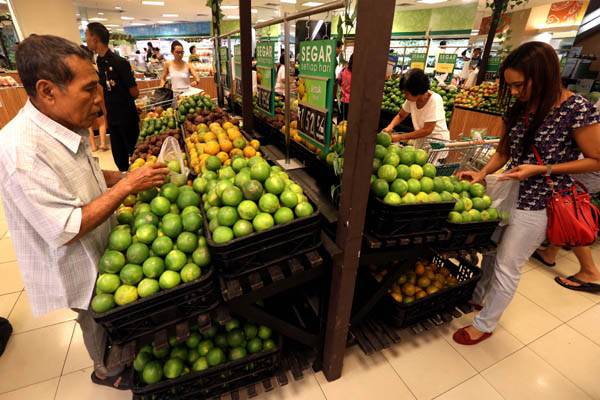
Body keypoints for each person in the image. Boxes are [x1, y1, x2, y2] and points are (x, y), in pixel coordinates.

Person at [0, 34, 169, 388]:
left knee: (107, 308)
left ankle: (118, 356)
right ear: (48, 91)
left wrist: (123, 176)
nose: (100, 100)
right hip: (73, 257)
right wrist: (126, 187)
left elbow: (84, 173)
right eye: (90, 89)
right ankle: (105, 370)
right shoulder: (22, 152)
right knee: (93, 314)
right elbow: (64, 229)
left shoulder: (59, 125)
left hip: (97, 243)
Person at [453, 41, 600, 345]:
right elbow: (504, 150)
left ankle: (486, 323)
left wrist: (542, 169)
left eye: (520, 85)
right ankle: (479, 296)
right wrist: (482, 174)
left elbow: (596, 158)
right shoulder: (517, 108)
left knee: (509, 263)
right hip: (509, 192)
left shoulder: (576, 109)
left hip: (542, 201)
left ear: (543, 74)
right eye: (511, 86)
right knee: (492, 251)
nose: (516, 92)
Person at [85, 22, 140, 172]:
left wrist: (123, 101)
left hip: (127, 116)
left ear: (95, 39)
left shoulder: (119, 62)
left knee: (135, 154)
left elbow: (134, 92)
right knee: (119, 157)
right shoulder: (100, 62)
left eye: (87, 37)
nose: (86, 40)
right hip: (113, 118)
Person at [382, 68, 450, 147]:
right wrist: (390, 126)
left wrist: (400, 137)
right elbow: (401, 115)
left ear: (417, 91)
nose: (405, 96)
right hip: (421, 141)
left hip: (436, 144)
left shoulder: (435, 100)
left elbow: (427, 130)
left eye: (406, 93)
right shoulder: (411, 100)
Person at [80, 45, 109, 152]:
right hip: (94, 101)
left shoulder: (77, 73)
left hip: (84, 103)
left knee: (89, 126)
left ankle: (93, 146)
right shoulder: (93, 70)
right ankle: (102, 144)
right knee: (101, 122)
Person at [337, 54, 353, 121]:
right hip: (352, 104)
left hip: (342, 101)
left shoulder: (344, 70)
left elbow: (338, 80)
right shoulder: (359, 74)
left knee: (340, 123)